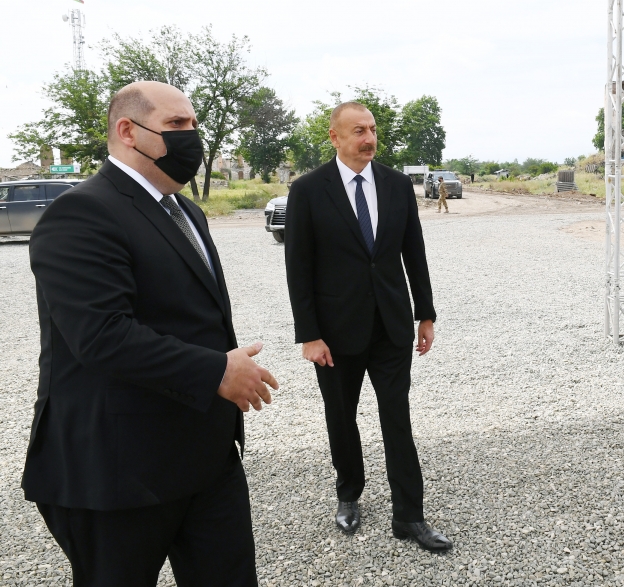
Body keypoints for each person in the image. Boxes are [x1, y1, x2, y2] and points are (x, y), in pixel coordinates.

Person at [23, 81, 279, 586]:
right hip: (118, 470)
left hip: (205, 456)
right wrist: (216, 371)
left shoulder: (186, 211)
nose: (192, 137)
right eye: (176, 125)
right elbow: (101, 335)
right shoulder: (81, 212)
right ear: (128, 131)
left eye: (194, 124)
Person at [284, 102, 452, 552]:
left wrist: (426, 313)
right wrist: (309, 334)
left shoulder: (396, 185)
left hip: (391, 327)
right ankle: (349, 492)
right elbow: (298, 267)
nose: (369, 138)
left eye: (373, 129)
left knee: (397, 419)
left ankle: (409, 516)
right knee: (341, 417)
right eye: (358, 130)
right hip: (335, 333)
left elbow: (414, 252)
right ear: (335, 136)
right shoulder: (308, 190)